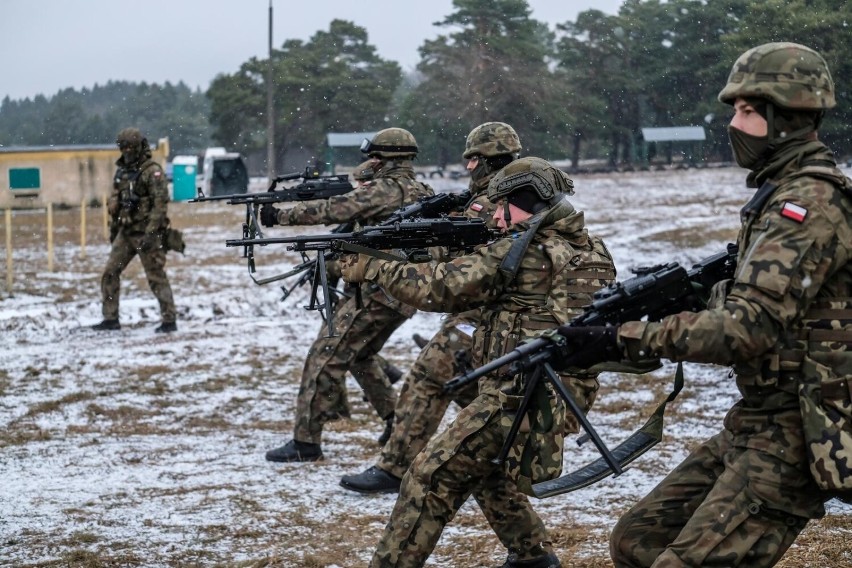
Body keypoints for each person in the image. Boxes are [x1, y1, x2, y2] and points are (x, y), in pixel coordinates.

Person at [549, 42, 850, 567]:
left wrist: (623, 338)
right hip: (757, 417)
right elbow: (778, 306)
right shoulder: (777, 196)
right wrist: (692, 297)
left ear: (788, 114)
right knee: (636, 540)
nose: (734, 123)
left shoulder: (808, 205)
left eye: (748, 111)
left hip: (800, 429)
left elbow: (747, 329)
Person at [341, 156, 616, 567]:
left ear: (526, 203)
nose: (497, 219)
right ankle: (532, 557)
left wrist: (374, 266)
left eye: (501, 207)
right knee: (484, 466)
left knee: (430, 476)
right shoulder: (584, 245)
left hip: (522, 394)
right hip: (557, 389)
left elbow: (444, 287)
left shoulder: (527, 250)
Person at [340, 122, 542, 494]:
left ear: (480, 160)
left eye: (472, 162)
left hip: (489, 311)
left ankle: (395, 467)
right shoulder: (518, 192)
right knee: (471, 394)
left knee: (429, 375)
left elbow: (465, 269)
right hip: (498, 308)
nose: (470, 169)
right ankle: (513, 455)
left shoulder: (493, 201)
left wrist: (395, 260)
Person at [259, 128, 434, 462]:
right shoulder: (419, 189)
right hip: (401, 292)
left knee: (324, 355)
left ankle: (305, 442)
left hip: (376, 292)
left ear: (384, 159)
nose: (367, 162)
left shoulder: (385, 189)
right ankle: (396, 423)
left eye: (373, 157)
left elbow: (335, 209)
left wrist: (280, 215)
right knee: (359, 355)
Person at [92, 127, 177, 333]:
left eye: (131, 147)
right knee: (110, 273)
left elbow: (160, 205)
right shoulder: (121, 172)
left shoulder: (152, 171)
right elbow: (116, 201)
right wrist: (114, 230)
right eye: (124, 147)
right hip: (126, 232)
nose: (127, 151)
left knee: (155, 276)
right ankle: (110, 318)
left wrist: (151, 233)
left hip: (147, 234)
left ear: (139, 147)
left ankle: (169, 319)